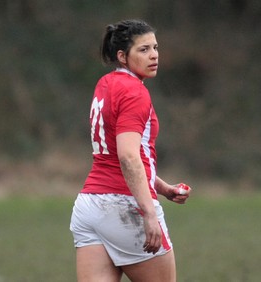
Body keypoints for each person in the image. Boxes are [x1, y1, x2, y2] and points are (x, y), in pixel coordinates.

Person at [70, 19, 192, 282]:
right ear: (122, 56)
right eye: (144, 49)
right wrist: (148, 211)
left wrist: (163, 187)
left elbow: (117, 156)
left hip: (89, 207)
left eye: (155, 47)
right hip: (125, 207)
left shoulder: (105, 84)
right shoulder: (135, 92)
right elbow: (127, 156)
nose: (154, 55)